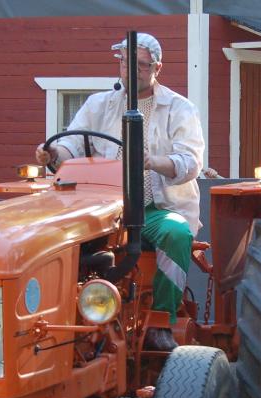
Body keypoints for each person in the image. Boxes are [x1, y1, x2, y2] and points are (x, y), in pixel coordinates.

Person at [35, 33, 205, 352]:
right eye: (127, 63)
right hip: (99, 205)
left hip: (154, 207)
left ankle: (161, 320)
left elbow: (190, 161)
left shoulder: (179, 108)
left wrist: (151, 161)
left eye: (142, 64)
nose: (133, 69)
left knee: (177, 233)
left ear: (157, 67)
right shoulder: (99, 104)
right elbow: (73, 144)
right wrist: (53, 154)